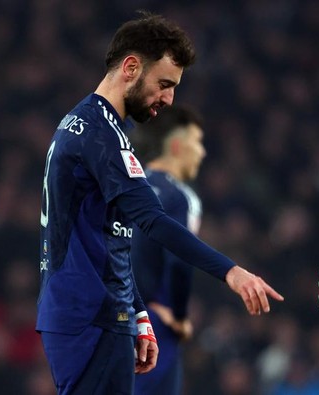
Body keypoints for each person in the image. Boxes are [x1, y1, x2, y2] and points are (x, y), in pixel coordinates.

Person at [36, 11, 284, 395]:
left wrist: (136, 311)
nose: (169, 99)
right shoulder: (100, 137)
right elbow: (154, 220)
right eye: (164, 84)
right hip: (90, 313)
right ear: (131, 67)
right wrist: (231, 273)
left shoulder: (90, 125)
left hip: (91, 309)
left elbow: (110, 236)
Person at [130, 106, 206, 395]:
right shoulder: (180, 198)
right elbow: (177, 262)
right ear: (175, 146)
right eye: (196, 143)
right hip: (154, 318)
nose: (200, 152)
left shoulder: (127, 185)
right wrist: (180, 316)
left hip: (111, 311)